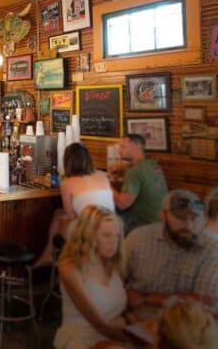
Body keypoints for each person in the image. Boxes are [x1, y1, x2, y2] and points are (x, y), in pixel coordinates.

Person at [123, 189, 218, 321]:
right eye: (180, 218)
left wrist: (145, 298)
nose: (188, 225)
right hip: (134, 319)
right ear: (163, 215)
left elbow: (204, 302)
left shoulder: (212, 249)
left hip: (184, 327)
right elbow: (115, 276)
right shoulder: (138, 238)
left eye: (193, 218)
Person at [54, 205, 128, 349]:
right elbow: (99, 325)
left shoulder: (113, 262)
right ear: (89, 235)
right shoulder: (71, 268)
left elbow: (124, 309)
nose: (114, 242)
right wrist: (141, 340)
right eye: (106, 235)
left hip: (116, 334)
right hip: (82, 339)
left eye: (117, 235)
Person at [36, 144, 115, 267]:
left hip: (89, 234)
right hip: (112, 229)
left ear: (68, 162)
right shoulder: (103, 176)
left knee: (61, 218)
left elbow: (71, 215)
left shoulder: (67, 183)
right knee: (58, 214)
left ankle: (50, 256)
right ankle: (49, 256)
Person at [112, 133, 168, 234]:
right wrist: (122, 168)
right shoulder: (153, 164)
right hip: (162, 223)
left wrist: (107, 186)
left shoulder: (134, 172)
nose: (119, 150)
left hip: (144, 226)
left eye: (123, 146)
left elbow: (122, 204)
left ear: (137, 146)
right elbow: (141, 175)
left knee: (105, 218)